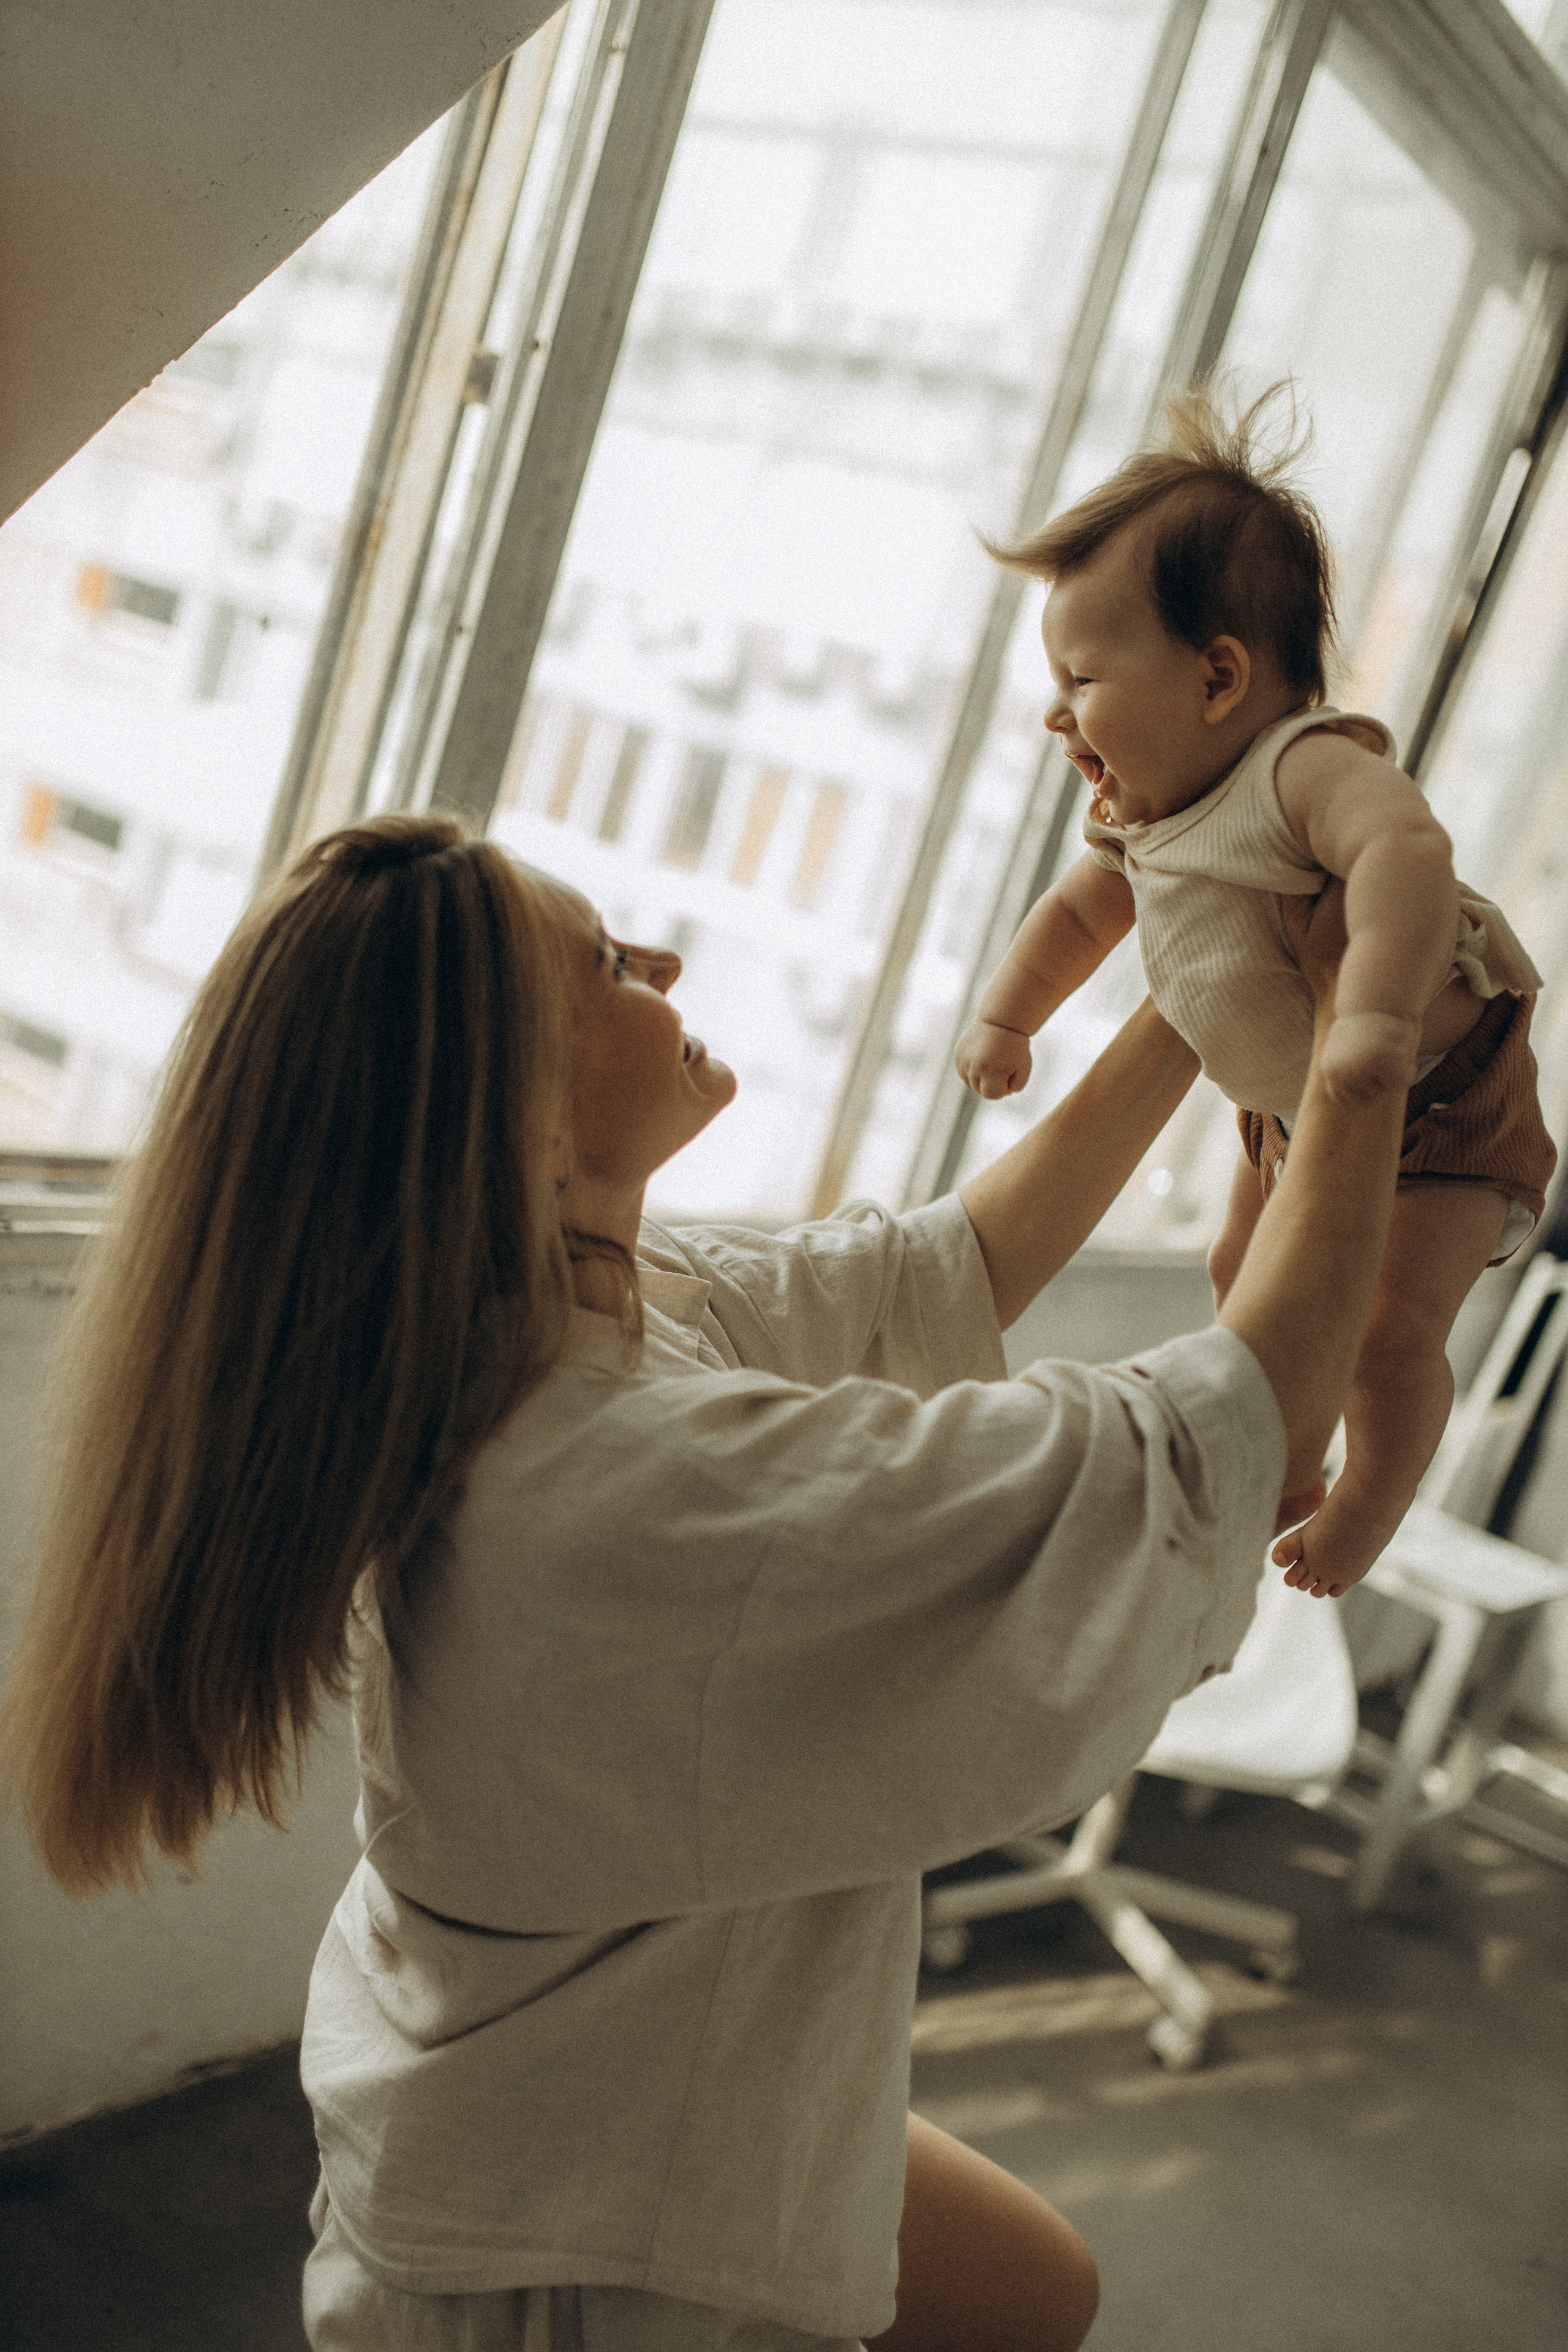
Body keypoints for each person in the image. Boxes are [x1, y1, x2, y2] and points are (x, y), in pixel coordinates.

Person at [1, 814, 1404, 2351]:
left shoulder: (585, 1305)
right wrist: (1359, 1057)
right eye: (608, 964)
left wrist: (1202, 985)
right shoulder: (599, 1495)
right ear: (526, 1128)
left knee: (1030, 2292)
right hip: (554, 2261)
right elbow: (1201, 1445)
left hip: (570, 2078)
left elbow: (934, 1268)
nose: (663, 963)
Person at [956, 385, 1556, 1602]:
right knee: (1239, 1275)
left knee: (1389, 1336)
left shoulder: (1299, 768)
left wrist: (1376, 1019)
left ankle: (1366, 1505)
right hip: (1285, 1113)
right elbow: (1080, 911)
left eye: (1078, 676)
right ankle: (1287, 1449)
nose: (1052, 710)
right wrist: (1006, 1014)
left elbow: (1405, 853)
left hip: (1434, 1110)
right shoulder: (1147, 811)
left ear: (1217, 677)